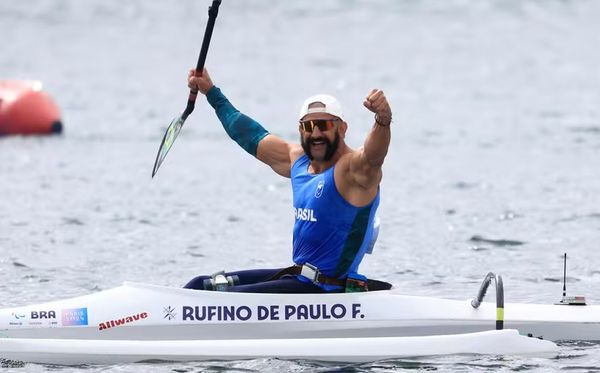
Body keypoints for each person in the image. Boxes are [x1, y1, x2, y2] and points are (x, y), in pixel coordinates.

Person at [184, 68, 392, 293]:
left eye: (324, 125)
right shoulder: (298, 162)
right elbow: (249, 134)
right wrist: (212, 93)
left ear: (342, 128)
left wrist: (382, 120)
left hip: (328, 291)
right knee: (200, 284)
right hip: (300, 278)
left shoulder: (353, 170)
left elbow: (373, 157)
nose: (315, 134)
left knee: (221, 296)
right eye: (308, 127)